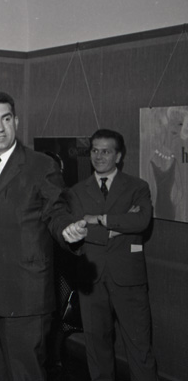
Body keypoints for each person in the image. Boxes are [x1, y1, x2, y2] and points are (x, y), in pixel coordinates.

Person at [0, 91, 86, 381]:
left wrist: (67, 230)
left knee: (25, 374)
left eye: (6, 119)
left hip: (24, 292)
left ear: (16, 121)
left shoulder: (41, 165)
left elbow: (56, 211)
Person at [65, 128, 157, 381]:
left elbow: (141, 221)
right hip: (91, 279)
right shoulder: (76, 191)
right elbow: (76, 228)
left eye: (106, 151)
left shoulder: (137, 187)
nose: (99, 156)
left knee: (140, 348)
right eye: (95, 150)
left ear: (118, 156)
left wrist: (99, 219)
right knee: (97, 347)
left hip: (129, 279)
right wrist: (118, 226)